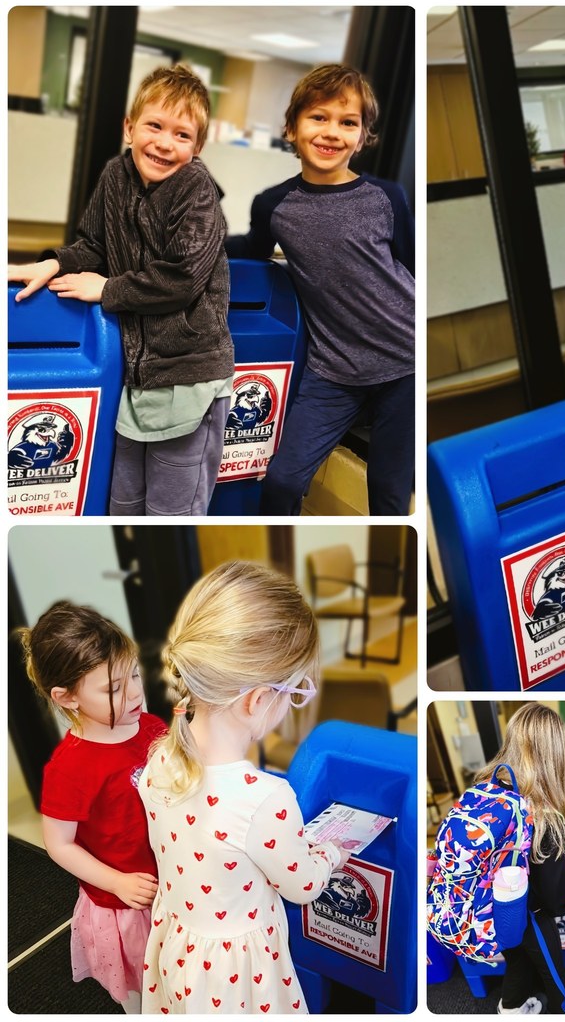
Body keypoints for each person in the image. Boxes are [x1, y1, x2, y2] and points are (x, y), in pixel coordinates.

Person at [8, 64, 234, 516]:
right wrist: (54, 261)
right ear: (130, 128)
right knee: (123, 505)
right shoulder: (116, 175)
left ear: (198, 145)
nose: (165, 143)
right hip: (135, 378)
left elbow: (183, 277)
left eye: (182, 135)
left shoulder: (197, 190)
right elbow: (94, 244)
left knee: (171, 514)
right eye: (154, 125)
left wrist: (108, 290)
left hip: (190, 376)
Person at [140, 561, 351, 1014]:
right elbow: (304, 884)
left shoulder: (159, 758)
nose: (292, 704)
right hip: (238, 975)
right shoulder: (266, 799)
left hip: (181, 950)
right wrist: (332, 852)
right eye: (293, 693)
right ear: (257, 700)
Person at [226, 63, 415, 516]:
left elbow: (410, 270)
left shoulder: (388, 197)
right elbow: (250, 248)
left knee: (389, 495)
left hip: (405, 364)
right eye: (319, 117)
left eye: (348, 122)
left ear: (363, 135)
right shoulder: (274, 204)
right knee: (282, 482)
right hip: (333, 373)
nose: (332, 132)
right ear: (291, 127)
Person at [18, 602, 168, 1013]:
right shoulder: (70, 768)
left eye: (134, 674)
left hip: (172, 882)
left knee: (175, 975)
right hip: (124, 903)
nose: (136, 692)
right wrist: (116, 882)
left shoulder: (152, 726)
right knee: (142, 990)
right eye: (114, 688)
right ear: (67, 698)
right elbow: (60, 845)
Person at [485, 703, 565, 1016]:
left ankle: (512, 1008)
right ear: (555, 755)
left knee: (517, 961)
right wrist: (562, 900)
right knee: (552, 969)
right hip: (531, 912)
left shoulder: (489, 792)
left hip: (495, 905)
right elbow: (554, 898)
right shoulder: (546, 817)